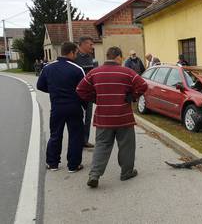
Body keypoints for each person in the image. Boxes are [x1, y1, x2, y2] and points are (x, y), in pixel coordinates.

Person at [76, 46, 148, 188]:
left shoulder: (94, 73)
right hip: (123, 116)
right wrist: (132, 96)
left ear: (107, 56)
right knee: (126, 146)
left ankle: (94, 174)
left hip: (103, 117)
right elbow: (143, 85)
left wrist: (95, 98)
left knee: (102, 146)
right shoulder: (127, 72)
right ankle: (126, 172)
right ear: (119, 57)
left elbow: (80, 90)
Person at [37, 42, 85, 173]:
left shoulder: (48, 67)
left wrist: (54, 91)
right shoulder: (77, 69)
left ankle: (53, 163)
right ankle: (73, 165)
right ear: (71, 52)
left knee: (55, 134)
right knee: (75, 135)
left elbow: (40, 85)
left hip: (57, 106)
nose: (76, 55)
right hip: (74, 106)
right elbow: (84, 90)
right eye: (76, 53)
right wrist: (84, 106)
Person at [74, 36, 97, 148]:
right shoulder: (74, 57)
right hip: (76, 94)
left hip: (89, 94)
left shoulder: (91, 57)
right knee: (77, 118)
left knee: (88, 118)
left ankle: (85, 140)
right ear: (82, 44)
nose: (92, 47)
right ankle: (77, 140)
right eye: (90, 44)